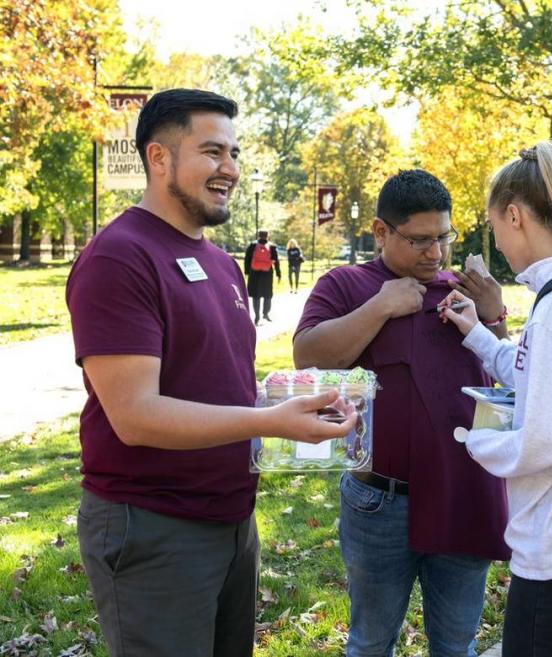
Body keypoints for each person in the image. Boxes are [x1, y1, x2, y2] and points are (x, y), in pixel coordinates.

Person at [64, 88, 356, 657]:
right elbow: (135, 416)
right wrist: (269, 421)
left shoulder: (221, 262)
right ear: (159, 158)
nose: (231, 169)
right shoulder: (119, 256)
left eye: (235, 154)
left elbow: (215, 381)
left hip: (230, 519)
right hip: (153, 524)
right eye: (213, 152)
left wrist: (294, 404)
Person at [292, 169, 510, 657]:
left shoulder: (466, 290)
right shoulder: (347, 285)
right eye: (419, 241)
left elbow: (506, 382)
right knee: (370, 643)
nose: (435, 254)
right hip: (381, 503)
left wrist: (495, 316)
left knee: (457, 644)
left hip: (464, 493)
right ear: (380, 232)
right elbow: (307, 358)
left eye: (443, 238)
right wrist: (380, 307)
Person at [438, 142, 552, 657]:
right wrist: (478, 334)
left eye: (494, 223)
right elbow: (540, 377)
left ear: (515, 215)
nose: (494, 239)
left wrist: (478, 444)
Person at [244, 229, 281, 323]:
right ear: (267, 236)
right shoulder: (272, 247)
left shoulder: (252, 245)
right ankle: (266, 314)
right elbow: (276, 261)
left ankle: (257, 316)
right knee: (267, 294)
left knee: (256, 295)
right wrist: (278, 273)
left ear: (258, 235)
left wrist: (247, 271)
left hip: (254, 273)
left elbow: (247, 259)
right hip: (267, 273)